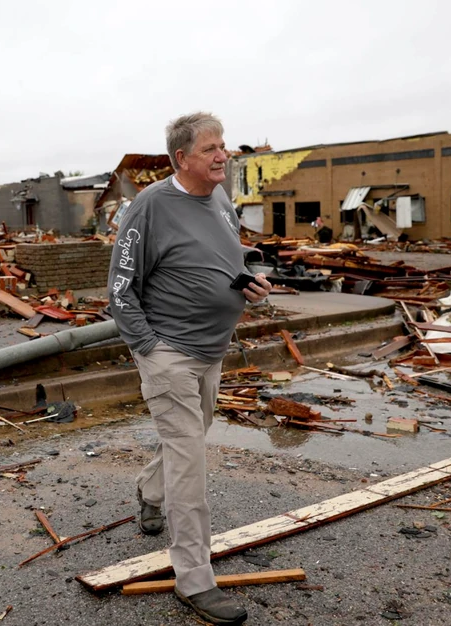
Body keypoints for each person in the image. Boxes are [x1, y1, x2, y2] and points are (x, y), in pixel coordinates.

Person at [107, 112, 270, 625]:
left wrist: (248, 274)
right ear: (183, 159)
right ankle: (194, 580)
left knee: (193, 437)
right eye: (211, 149)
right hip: (169, 353)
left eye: (223, 146)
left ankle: (149, 492)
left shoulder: (221, 199)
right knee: (190, 462)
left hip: (212, 348)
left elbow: (221, 253)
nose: (224, 156)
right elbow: (120, 288)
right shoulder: (149, 208)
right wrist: (149, 347)